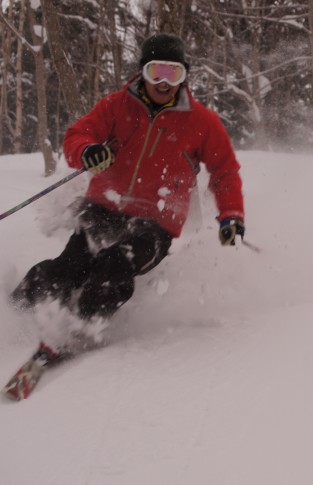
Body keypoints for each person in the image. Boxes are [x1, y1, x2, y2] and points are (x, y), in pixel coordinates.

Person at [10, 33, 246, 361]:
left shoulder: (201, 122)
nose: (164, 83)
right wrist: (87, 150)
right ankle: (14, 312)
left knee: (114, 264)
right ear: (142, 73)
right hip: (104, 205)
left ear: (184, 76)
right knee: (70, 266)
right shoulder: (117, 106)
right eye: (156, 72)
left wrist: (231, 214)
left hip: (157, 221)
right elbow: (77, 136)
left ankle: (81, 327)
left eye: (173, 73)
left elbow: (224, 171)